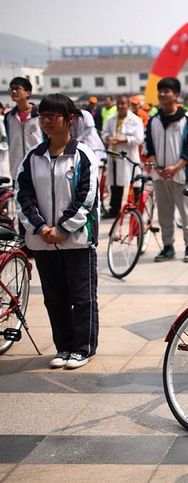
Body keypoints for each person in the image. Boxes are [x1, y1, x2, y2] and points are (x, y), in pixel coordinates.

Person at [16, 94, 100, 369]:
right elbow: (23, 195)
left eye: (54, 116)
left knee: (82, 296)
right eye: (43, 116)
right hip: (43, 242)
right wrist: (40, 227)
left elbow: (86, 197)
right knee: (54, 297)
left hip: (77, 240)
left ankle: (84, 348)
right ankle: (63, 347)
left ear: (70, 119)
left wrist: (63, 228)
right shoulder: (33, 157)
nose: (47, 121)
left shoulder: (83, 155)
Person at [144, 77, 188, 262]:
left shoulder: (187, 120)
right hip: (160, 176)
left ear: (176, 95)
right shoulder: (154, 121)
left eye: (166, 91)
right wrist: (158, 168)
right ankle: (168, 247)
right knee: (164, 213)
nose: (162, 94)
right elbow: (148, 146)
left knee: (187, 213)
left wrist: (175, 168)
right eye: (160, 91)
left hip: (181, 176)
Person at [101, 95, 145, 218]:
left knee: (134, 181)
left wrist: (124, 139)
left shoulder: (135, 120)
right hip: (114, 155)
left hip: (129, 156)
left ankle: (136, 207)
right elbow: (104, 133)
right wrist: (108, 138)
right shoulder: (111, 119)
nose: (120, 106)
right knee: (115, 184)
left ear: (128, 105)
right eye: (118, 104)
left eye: (123, 104)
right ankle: (114, 209)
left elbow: (139, 139)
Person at [5, 77, 43, 182]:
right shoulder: (9, 117)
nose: (13, 91)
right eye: (11, 89)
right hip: (16, 167)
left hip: (38, 166)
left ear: (28, 93)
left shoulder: (40, 115)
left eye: (17, 88)